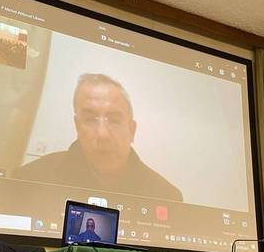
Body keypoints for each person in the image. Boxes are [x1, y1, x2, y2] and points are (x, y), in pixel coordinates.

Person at [14, 73, 183, 201]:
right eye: (90, 119)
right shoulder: (29, 179)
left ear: (132, 130)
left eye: (114, 120)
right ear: (77, 126)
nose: (102, 134)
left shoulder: (166, 196)